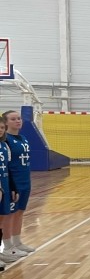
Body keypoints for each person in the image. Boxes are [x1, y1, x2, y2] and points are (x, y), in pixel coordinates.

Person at [3, 110, 35, 257]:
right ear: (6, 122)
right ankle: (8, 246)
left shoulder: (23, 138)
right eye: (13, 119)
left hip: (25, 181)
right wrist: (11, 185)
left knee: (20, 212)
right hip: (12, 183)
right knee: (9, 214)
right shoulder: (5, 140)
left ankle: (17, 242)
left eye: (19, 118)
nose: (18, 121)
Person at [0, 118, 18, 268]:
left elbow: (8, 168)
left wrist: (13, 187)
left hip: (5, 186)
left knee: (1, 220)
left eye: (2, 127)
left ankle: (3, 252)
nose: (0, 130)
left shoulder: (5, 146)